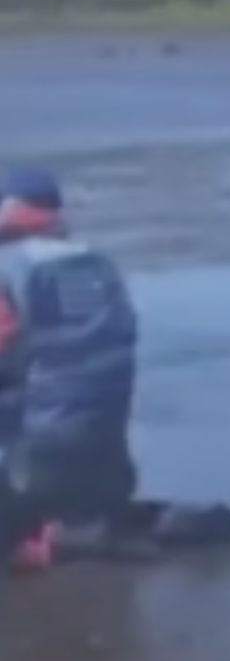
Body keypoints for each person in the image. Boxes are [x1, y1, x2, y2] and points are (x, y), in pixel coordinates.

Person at [0, 167, 140, 568]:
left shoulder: (8, 266)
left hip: (42, 447)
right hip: (106, 441)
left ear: (11, 209)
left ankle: (29, 521)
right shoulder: (96, 262)